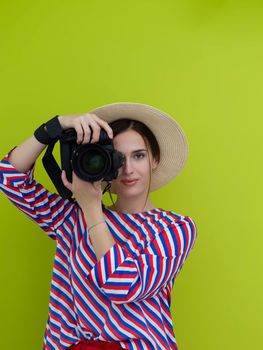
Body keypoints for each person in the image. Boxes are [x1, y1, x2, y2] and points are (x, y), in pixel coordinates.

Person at [0, 102, 197, 350]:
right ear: (104, 162)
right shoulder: (71, 219)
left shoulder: (174, 228)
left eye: (139, 155)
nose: (128, 169)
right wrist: (54, 126)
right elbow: (10, 177)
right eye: (117, 157)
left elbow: (122, 285)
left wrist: (92, 208)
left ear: (154, 159)